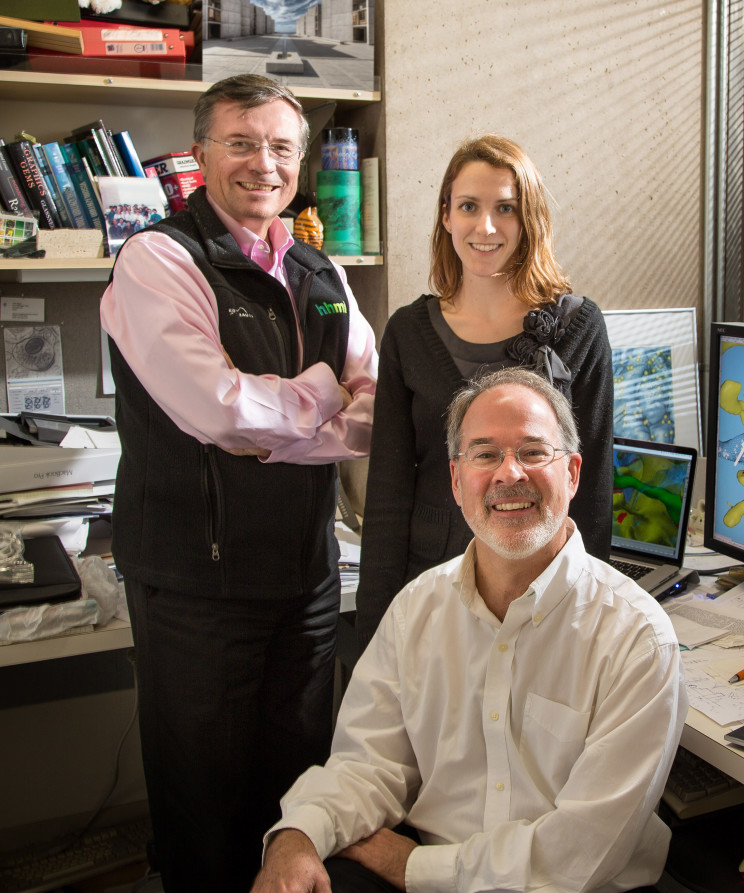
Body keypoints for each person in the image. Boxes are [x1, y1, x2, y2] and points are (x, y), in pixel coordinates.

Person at [251, 367, 685, 893]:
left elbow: (582, 850)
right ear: (456, 482)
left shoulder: (638, 639)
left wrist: (412, 868)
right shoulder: (417, 610)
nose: (509, 474)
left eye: (532, 451)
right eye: (484, 454)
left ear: (572, 473)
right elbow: (366, 765)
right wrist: (297, 835)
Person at [99, 74, 378, 893]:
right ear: (202, 155)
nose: (266, 163)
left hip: (305, 578)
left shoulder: (319, 268)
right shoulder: (158, 259)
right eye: (243, 142)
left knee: (295, 802)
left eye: (283, 147)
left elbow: (376, 413)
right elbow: (222, 411)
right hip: (196, 586)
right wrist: (323, 393)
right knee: (205, 814)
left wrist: (279, 432)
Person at [355, 134, 614, 648]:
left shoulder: (579, 327)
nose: (486, 226)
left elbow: (594, 489)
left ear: (530, 218)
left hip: (541, 597)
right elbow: (387, 497)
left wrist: (589, 621)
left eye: (506, 208)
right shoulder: (408, 332)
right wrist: (375, 637)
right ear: (446, 215)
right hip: (429, 588)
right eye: (469, 206)